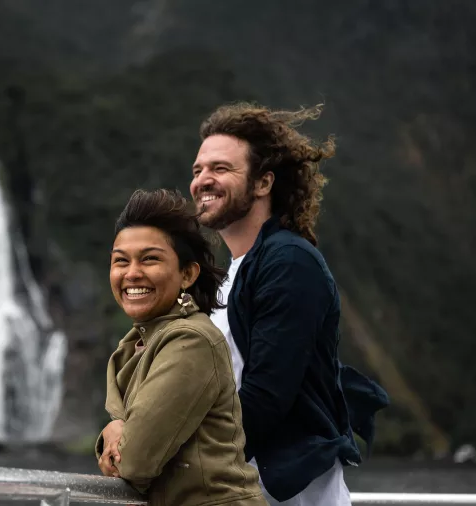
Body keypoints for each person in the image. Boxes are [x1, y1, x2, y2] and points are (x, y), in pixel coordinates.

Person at [188, 102, 390, 505]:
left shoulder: (288, 261)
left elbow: (266, 396)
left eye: (220, 169)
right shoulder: (230, 276)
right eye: (198, 170)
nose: (202, 180)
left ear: (263, 183)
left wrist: (180, 464)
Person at [96, 188, 268, 506]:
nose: (131, 273)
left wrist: (116, 428)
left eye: (150, 259)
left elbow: (132, 461)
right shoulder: (136, 345)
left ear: (187, 274)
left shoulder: (191, 341)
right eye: (121, 261)